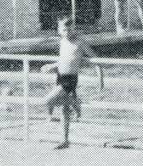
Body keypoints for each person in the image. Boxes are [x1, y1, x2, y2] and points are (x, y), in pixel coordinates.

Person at [40, 18, 104, 149]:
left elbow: (96, 60)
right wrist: (52, 65)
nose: (68, 32)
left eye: (70, 29)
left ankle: (75, 102)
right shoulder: (62, 42)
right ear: (59, 31)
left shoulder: (80, 42)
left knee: (47, 101)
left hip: (70, 79)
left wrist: (101, 79)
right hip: (60, 76)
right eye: (64, 30)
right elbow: (64, 60)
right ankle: (65, 140)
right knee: (64, 110)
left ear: (74, 29)